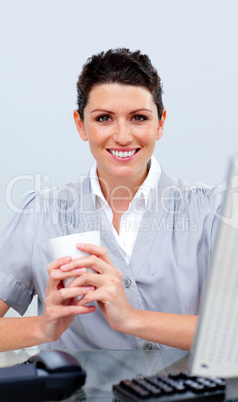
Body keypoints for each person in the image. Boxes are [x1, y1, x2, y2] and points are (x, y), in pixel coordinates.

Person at [0, 48, 222, 352]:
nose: (122, 136)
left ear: (160, 123)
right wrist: (42, 327)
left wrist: (132, 319)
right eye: (104, 118)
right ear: (81, 125)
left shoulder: (211, 213)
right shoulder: (40, 214)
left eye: (138, 118)